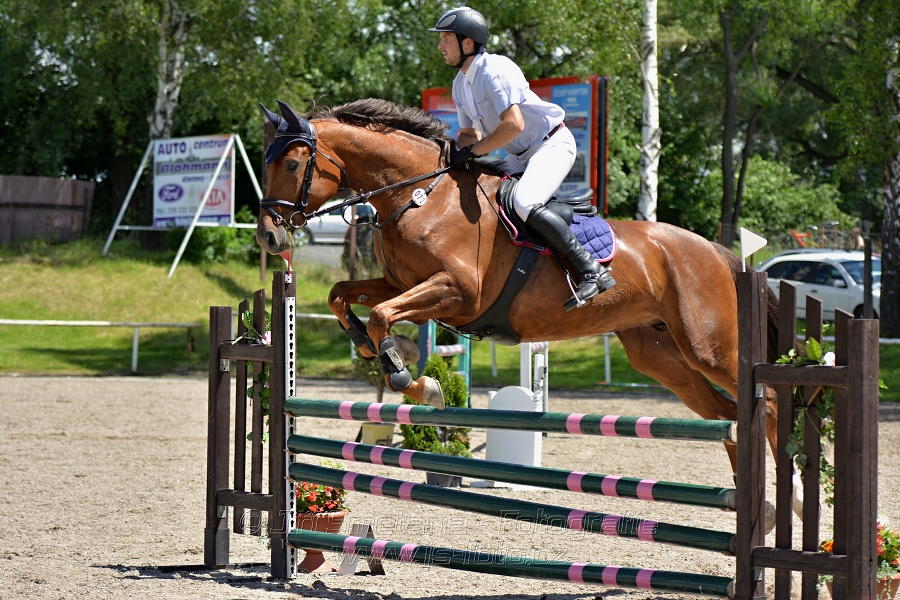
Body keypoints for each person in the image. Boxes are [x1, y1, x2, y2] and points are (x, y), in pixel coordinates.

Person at [428, 7, 615, 311]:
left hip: (552, 144)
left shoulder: (494, 70)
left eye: (446, 38)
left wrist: (473, 152)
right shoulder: (460, 84)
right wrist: (443, 152)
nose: (440, 45)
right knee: (485, 190)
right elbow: (469, 134)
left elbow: (514, 124)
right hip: (520, 156)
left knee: (524, 203)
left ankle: (590, 269)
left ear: (467, 43)